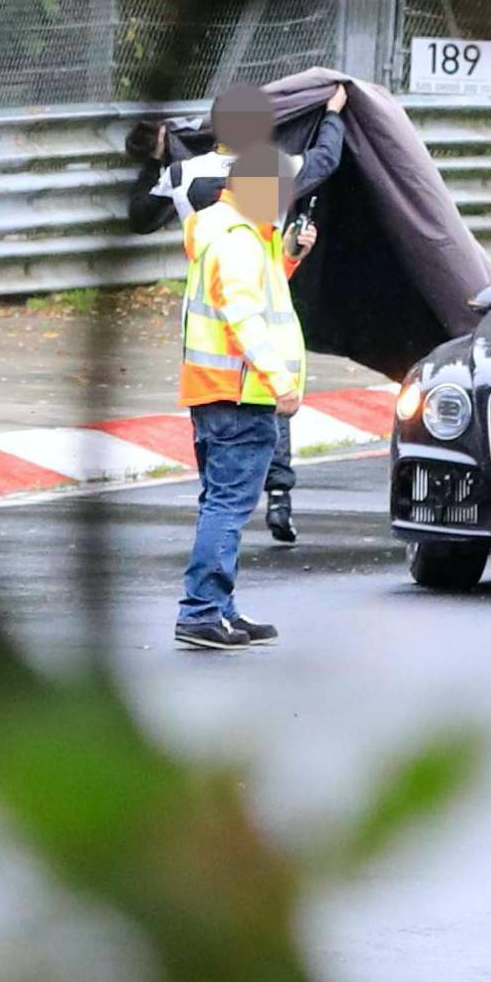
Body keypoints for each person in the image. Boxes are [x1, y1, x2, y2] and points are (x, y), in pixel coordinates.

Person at [129, 82, 349, 543]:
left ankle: (218, 542)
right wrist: (331, 114)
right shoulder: (275, 167)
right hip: (256, 302)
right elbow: (325, 159)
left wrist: (160, 155)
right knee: (268, 390)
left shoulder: (183, 172)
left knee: (218, 481)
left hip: (204, 317)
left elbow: (139, 216)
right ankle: (279, 496)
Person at [174, 146, 313, 649]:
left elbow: (260, 295)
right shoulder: (237, 241)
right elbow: (244, 317)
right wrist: (279, 381)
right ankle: (202, 611)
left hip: (220, 394)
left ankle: (220, 608)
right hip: (239, 395)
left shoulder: (238, 235)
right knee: (229, 506)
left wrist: (291, 257)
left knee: (221, 503)